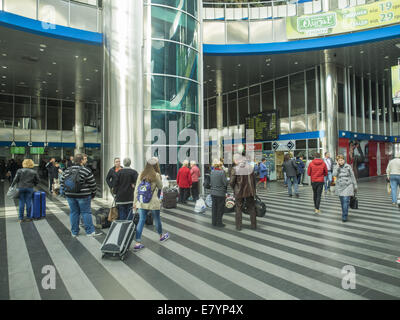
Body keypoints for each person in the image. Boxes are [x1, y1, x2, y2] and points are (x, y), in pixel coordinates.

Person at [60, 154, 101, 237]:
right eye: (84, 159)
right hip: (83, 195)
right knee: (86, 212)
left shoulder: (67, 170)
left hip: (70, 195)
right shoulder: (85, 170)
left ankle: (74, 232)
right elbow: (92, 184)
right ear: (81, 161)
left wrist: (65, 193)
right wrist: (93, 193)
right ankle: (89, 231)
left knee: (74, 212)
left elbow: (62, 182)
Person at [133, 157, 169, 251]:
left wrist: (135, 202)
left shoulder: (141, 174)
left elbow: (136, 189)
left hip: (142, 201)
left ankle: (137, 242)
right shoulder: (156, 175)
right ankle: (161, 236)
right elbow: (161, 186)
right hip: (153, 202)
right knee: (157, 219)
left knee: (141, 220)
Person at [230, 153, 257, 231]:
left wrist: (235, 188)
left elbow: (231, 182)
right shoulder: (250, 167)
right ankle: (253, 225)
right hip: (250, 191)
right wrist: (254, 190)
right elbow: (254, 180)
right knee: (252, 207)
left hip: (239, 191)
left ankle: (239, 226)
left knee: (238, 208)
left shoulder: (235, 169)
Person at [333, 154, 357, 222]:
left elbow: (352, 176)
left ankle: (344, 216)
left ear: (344, 160)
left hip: (348, 185)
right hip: (340, 186)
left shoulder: (348, 166)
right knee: (342, 202)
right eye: (339, 160)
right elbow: (334, 174)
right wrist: (337, 166)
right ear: (337, 161)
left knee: (346, 201)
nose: (341, 161)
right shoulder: (336, 167)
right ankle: (344, 212)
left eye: (342, 160)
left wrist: (355, 185)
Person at [210, 159, 228, 227]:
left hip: (213, 193)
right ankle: (219, 223)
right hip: (220, 193)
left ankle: (214, 222)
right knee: (220, 209)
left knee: (214, 208)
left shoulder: (212, 171)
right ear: (219, 165)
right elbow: (225, 183)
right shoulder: (222, 172)